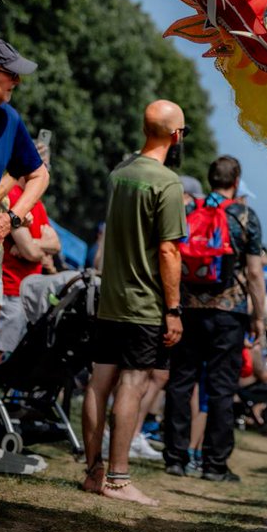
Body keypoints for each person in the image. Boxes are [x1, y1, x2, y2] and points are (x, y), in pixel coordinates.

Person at [81, 100, 187, 505]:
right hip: (144, 302)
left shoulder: (120, 174)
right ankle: (120, 479)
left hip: (110, 296)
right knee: (132, 382)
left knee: (99, 381)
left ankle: (94, 472)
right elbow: (168, 252)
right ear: (176, 135)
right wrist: (173, 309)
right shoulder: (167, 183)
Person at [163, 154, 265, 483]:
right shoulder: (246, 216)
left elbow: (173, 254)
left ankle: (175, 459)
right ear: (236, 182)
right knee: (221, 389)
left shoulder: (190, 209)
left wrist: (172, 305)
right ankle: (214, 465)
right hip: (229, 313)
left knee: (181, 383)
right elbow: (253, 272)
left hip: (189, 308)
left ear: (211, 179)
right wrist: (258, 316)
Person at [0, 37, 49, 425]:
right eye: (11, 75)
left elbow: (37, 174)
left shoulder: (9, 120)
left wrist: (10, 218)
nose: (17, 82)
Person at [0, 168, 61, 364]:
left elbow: (56, 245)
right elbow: (31, 252)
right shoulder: (13, 195)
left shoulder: (37, 204)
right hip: (11, 287)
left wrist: (34, 246)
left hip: (20, 292)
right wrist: (36, 249)